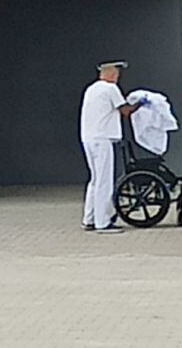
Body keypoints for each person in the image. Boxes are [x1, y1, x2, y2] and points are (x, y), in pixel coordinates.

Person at [79, 61, 149, 234]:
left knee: (95, 180)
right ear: (111, 74)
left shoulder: (91, 89)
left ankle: (89, 219)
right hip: (103, 138)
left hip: (89, 138)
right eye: (117, 74)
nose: (118, 77)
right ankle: (102, 223)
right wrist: (141, 104)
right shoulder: (110, 88)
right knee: (104, 182)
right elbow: (125, 111)